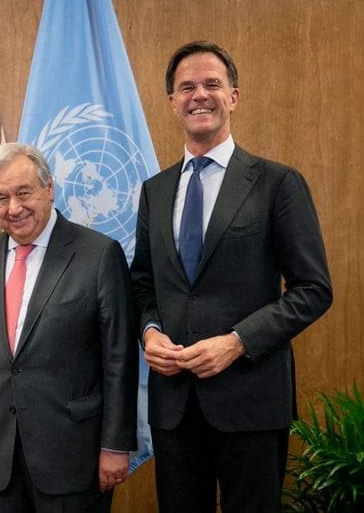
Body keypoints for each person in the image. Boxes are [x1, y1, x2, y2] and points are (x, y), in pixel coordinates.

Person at [130, 40, 333, 512]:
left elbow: (314, 289)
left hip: (252, 400)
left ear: (233, 97)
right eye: (187, 87)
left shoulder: (277, 183)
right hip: (175, 406)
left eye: (212, 84)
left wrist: (238, 341)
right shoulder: (155, 191)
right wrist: (149, 329)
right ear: (173, 103)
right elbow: (143, 282)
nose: (199, 95)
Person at [0, 142, 138, 512]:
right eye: (0, 197)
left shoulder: (98, 255)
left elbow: (120, 359)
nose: (14, 208)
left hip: (74, 455)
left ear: (49, 188)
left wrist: (115, 444)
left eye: (24, 193)